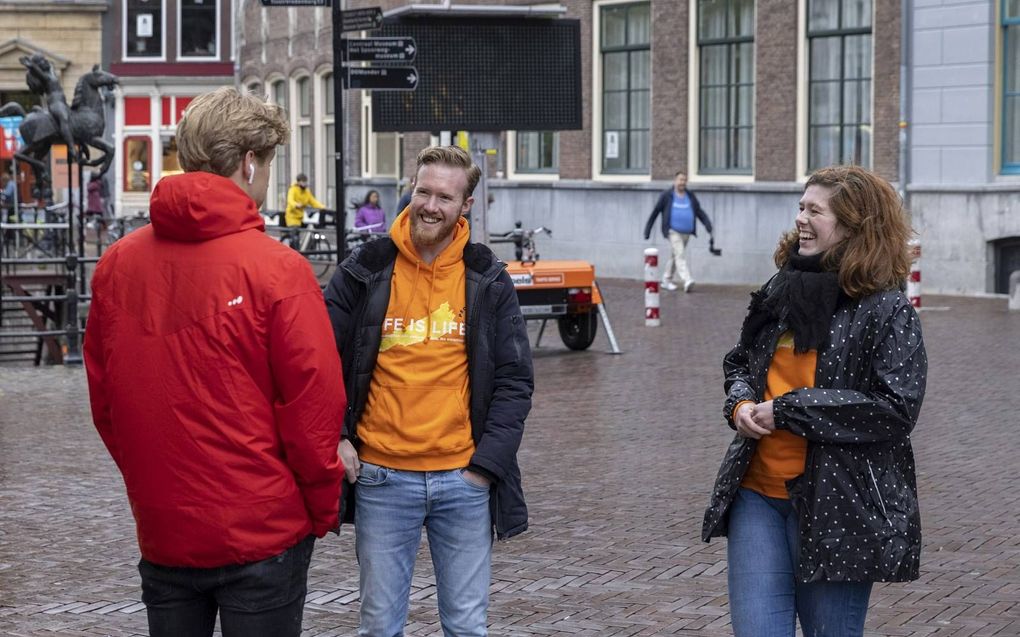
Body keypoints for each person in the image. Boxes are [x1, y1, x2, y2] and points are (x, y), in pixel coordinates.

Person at [84, 87, 346, 637]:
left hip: (166, 528)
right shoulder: (278, 271)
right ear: (250, 162)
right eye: (269, 162)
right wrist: (322, 508)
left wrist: (154, 486)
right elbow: (313, 408)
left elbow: (108, 405)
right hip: (263, 530)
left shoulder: (116, 266)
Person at [702, 165, 927, 636]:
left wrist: (788, 409)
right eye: (801, 207)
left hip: (838, 506)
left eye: (815, 210)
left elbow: (894, 407)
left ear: (852, 224)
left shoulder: (887, 311)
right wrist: (740, 405)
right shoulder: (781, 288)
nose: (801, 218)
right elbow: (740, 362)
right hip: (756, 497)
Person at [324, 145, 534, 636]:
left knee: (466, 626)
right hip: (381, 477)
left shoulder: (487, 277)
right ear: (409, 190)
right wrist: (337, 436)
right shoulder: (364, 269)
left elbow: (515, 380)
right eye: (423, 191)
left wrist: (486, 468)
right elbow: (319, 361)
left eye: (445, 196)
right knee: (379, 626)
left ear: (466, 206)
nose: (430, 205)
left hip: (463, 481)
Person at [643, 170, 713, 292]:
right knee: (680, 254)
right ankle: (687, 280)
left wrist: (707, 224)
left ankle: (666, 279)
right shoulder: (667, 195)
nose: (682, 182)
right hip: (672, 230)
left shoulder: (690, 196)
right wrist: (647, 230)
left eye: (684, 180)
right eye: (680, 180)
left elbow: (699, 211)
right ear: (675, 181)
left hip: (687, 232)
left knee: (675, 255)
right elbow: (655, 212)